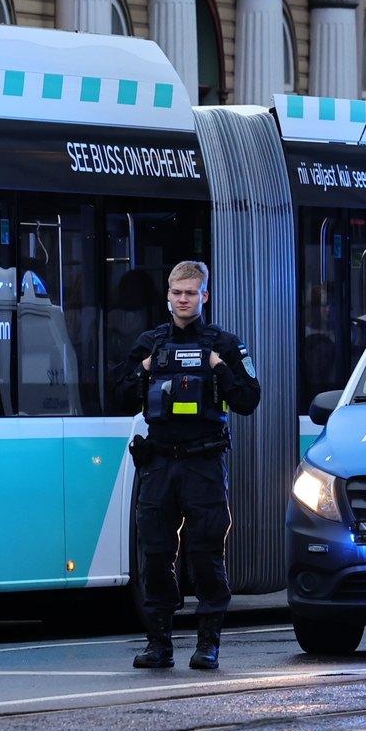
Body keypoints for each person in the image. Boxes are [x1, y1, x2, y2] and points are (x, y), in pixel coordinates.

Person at [112, 260, 261, 672]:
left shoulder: (224, 345)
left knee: (205, 554)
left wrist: (218, 367)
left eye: (191, 293)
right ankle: (158, 644)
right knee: (155, 556)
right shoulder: (149, 343)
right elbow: (119, 395)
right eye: (177, 292)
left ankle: (208, 644)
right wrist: (142, 370)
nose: (183, 299)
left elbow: (249, 399)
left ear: (204, 296)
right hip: (158, 464)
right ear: (167, 296)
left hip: (203, 463)